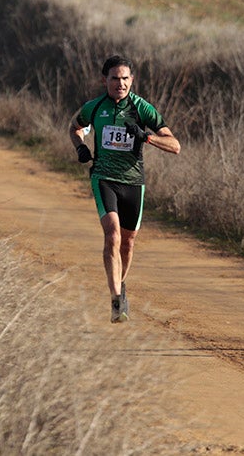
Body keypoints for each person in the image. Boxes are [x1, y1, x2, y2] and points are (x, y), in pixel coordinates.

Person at [69, 55, 181, 323]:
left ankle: (121, 284)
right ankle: (116, 300)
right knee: (113, 235)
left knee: (128, 243)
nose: (121, 83)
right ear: (104, 80)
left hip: (133, 182)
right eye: (115, 78)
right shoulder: (94, 108)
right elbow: (75, 127)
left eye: (125, 78)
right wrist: (81, 147)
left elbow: (175, 145)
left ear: (132, 80)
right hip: (104, 177)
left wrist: (147, 137)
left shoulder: (142, 109)